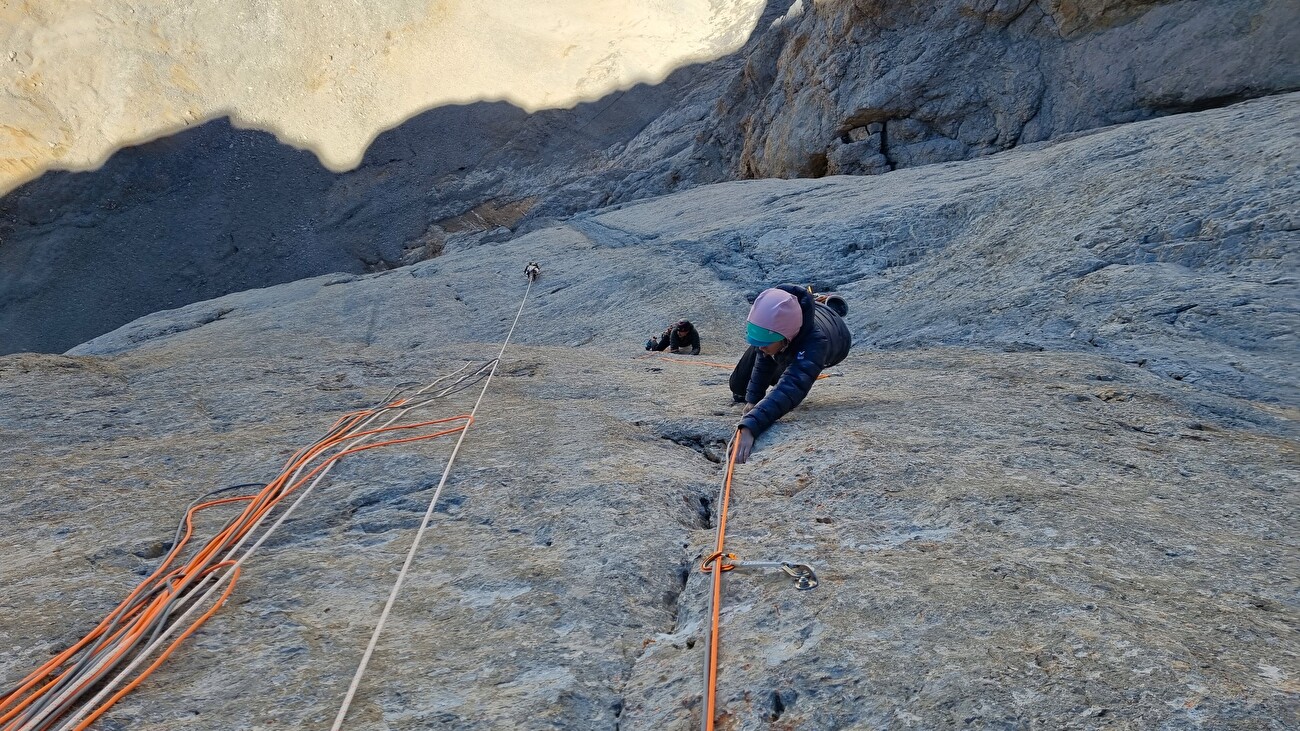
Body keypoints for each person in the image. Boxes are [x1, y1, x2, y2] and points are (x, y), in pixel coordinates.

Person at [731, 285, 851, 463]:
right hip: (789, 332)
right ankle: (817, 303)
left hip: (834, 333)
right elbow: (763, 356)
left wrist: (751, 425)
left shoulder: (816, 342)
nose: (760, 348)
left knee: (782, 376)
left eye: (765, 342)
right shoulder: (772, 335)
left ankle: (827, 306)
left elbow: (791, 387)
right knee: (738, 386)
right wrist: (752, 400)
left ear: (786, 337)